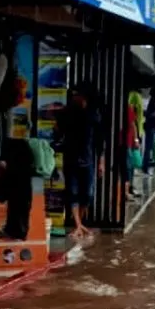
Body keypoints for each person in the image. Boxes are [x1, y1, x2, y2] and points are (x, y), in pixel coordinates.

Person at [55, 81, 105, 239]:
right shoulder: (67, 113)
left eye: (77, 94)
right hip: (71, 158)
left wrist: (101, 162)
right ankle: (77, 225)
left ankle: (80, 223)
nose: (74, 96)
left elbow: (99, 141)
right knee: (73, 192)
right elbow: (58, 134)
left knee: (87, 194)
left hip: (88, 160)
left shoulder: (93, 115)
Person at [125, 90, 144, 200]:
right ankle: (127, 191)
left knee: (129, 167)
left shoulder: (129, 108)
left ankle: (129, 189)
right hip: (127, 142)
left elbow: (133, 125)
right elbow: (133, 125)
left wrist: (136, 140)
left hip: (130, 142)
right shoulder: (128, 108)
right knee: (127, 167)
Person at [141, 85, 155, 174]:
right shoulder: (153, 101)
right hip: (150, 127)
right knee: (148, 148)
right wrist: (153, 114)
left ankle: (146, 166)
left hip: (152, 127)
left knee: (149, 148)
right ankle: (145, 167)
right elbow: (148, 114)